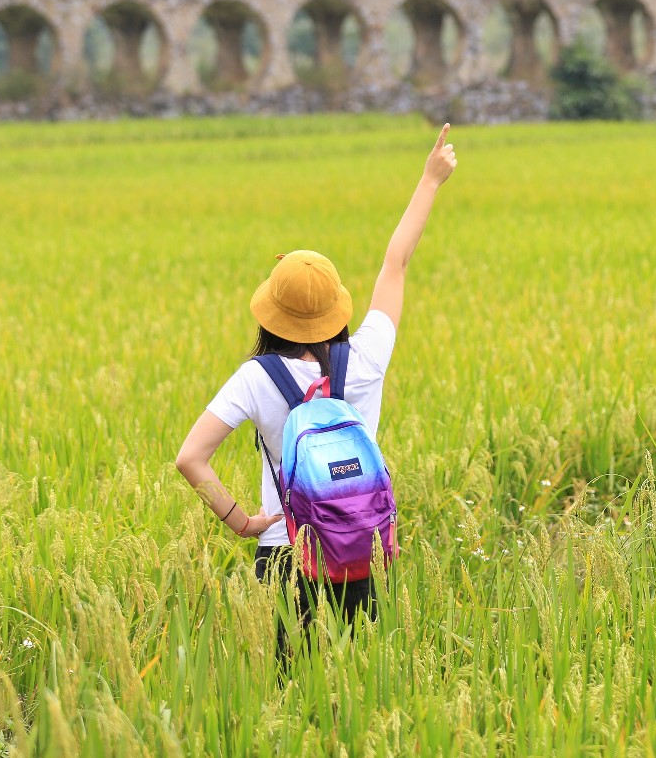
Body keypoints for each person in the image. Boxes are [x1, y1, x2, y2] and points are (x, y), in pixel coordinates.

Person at [174, 123, 458, 658]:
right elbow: (396, 263)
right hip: (359, 545)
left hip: (286, 552)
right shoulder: (368, 357)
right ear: (337, 310)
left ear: (271, 314)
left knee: (289, 695)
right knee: (357, 688)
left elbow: (190, 458)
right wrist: (430, 180)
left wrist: (242, 523)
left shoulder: (256, 377)